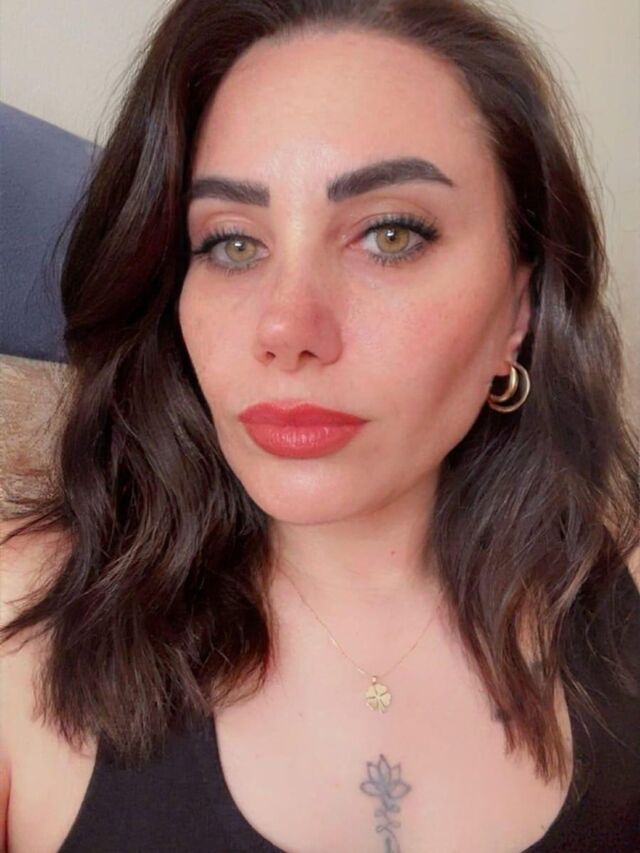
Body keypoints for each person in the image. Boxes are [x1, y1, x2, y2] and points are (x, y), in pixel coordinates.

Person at [1, 0, 639, 850]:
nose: (287, 328)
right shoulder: (16, 621)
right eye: (232, 243)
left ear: (517, 311)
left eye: (390, 234)